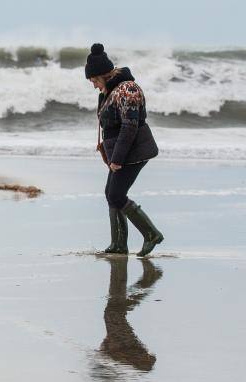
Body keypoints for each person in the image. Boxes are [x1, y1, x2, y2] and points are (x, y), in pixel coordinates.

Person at [85, 43, 164, 257]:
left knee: (117, 195)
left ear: (103, 75)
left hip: (134, 152)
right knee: (111, 194)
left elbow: (129, 127)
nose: (93, 86)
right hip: (122, 153)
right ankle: (118, 244)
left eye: (94, 80)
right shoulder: (110, 90)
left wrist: (117, 159)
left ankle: (151, 234)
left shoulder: (127, 89)